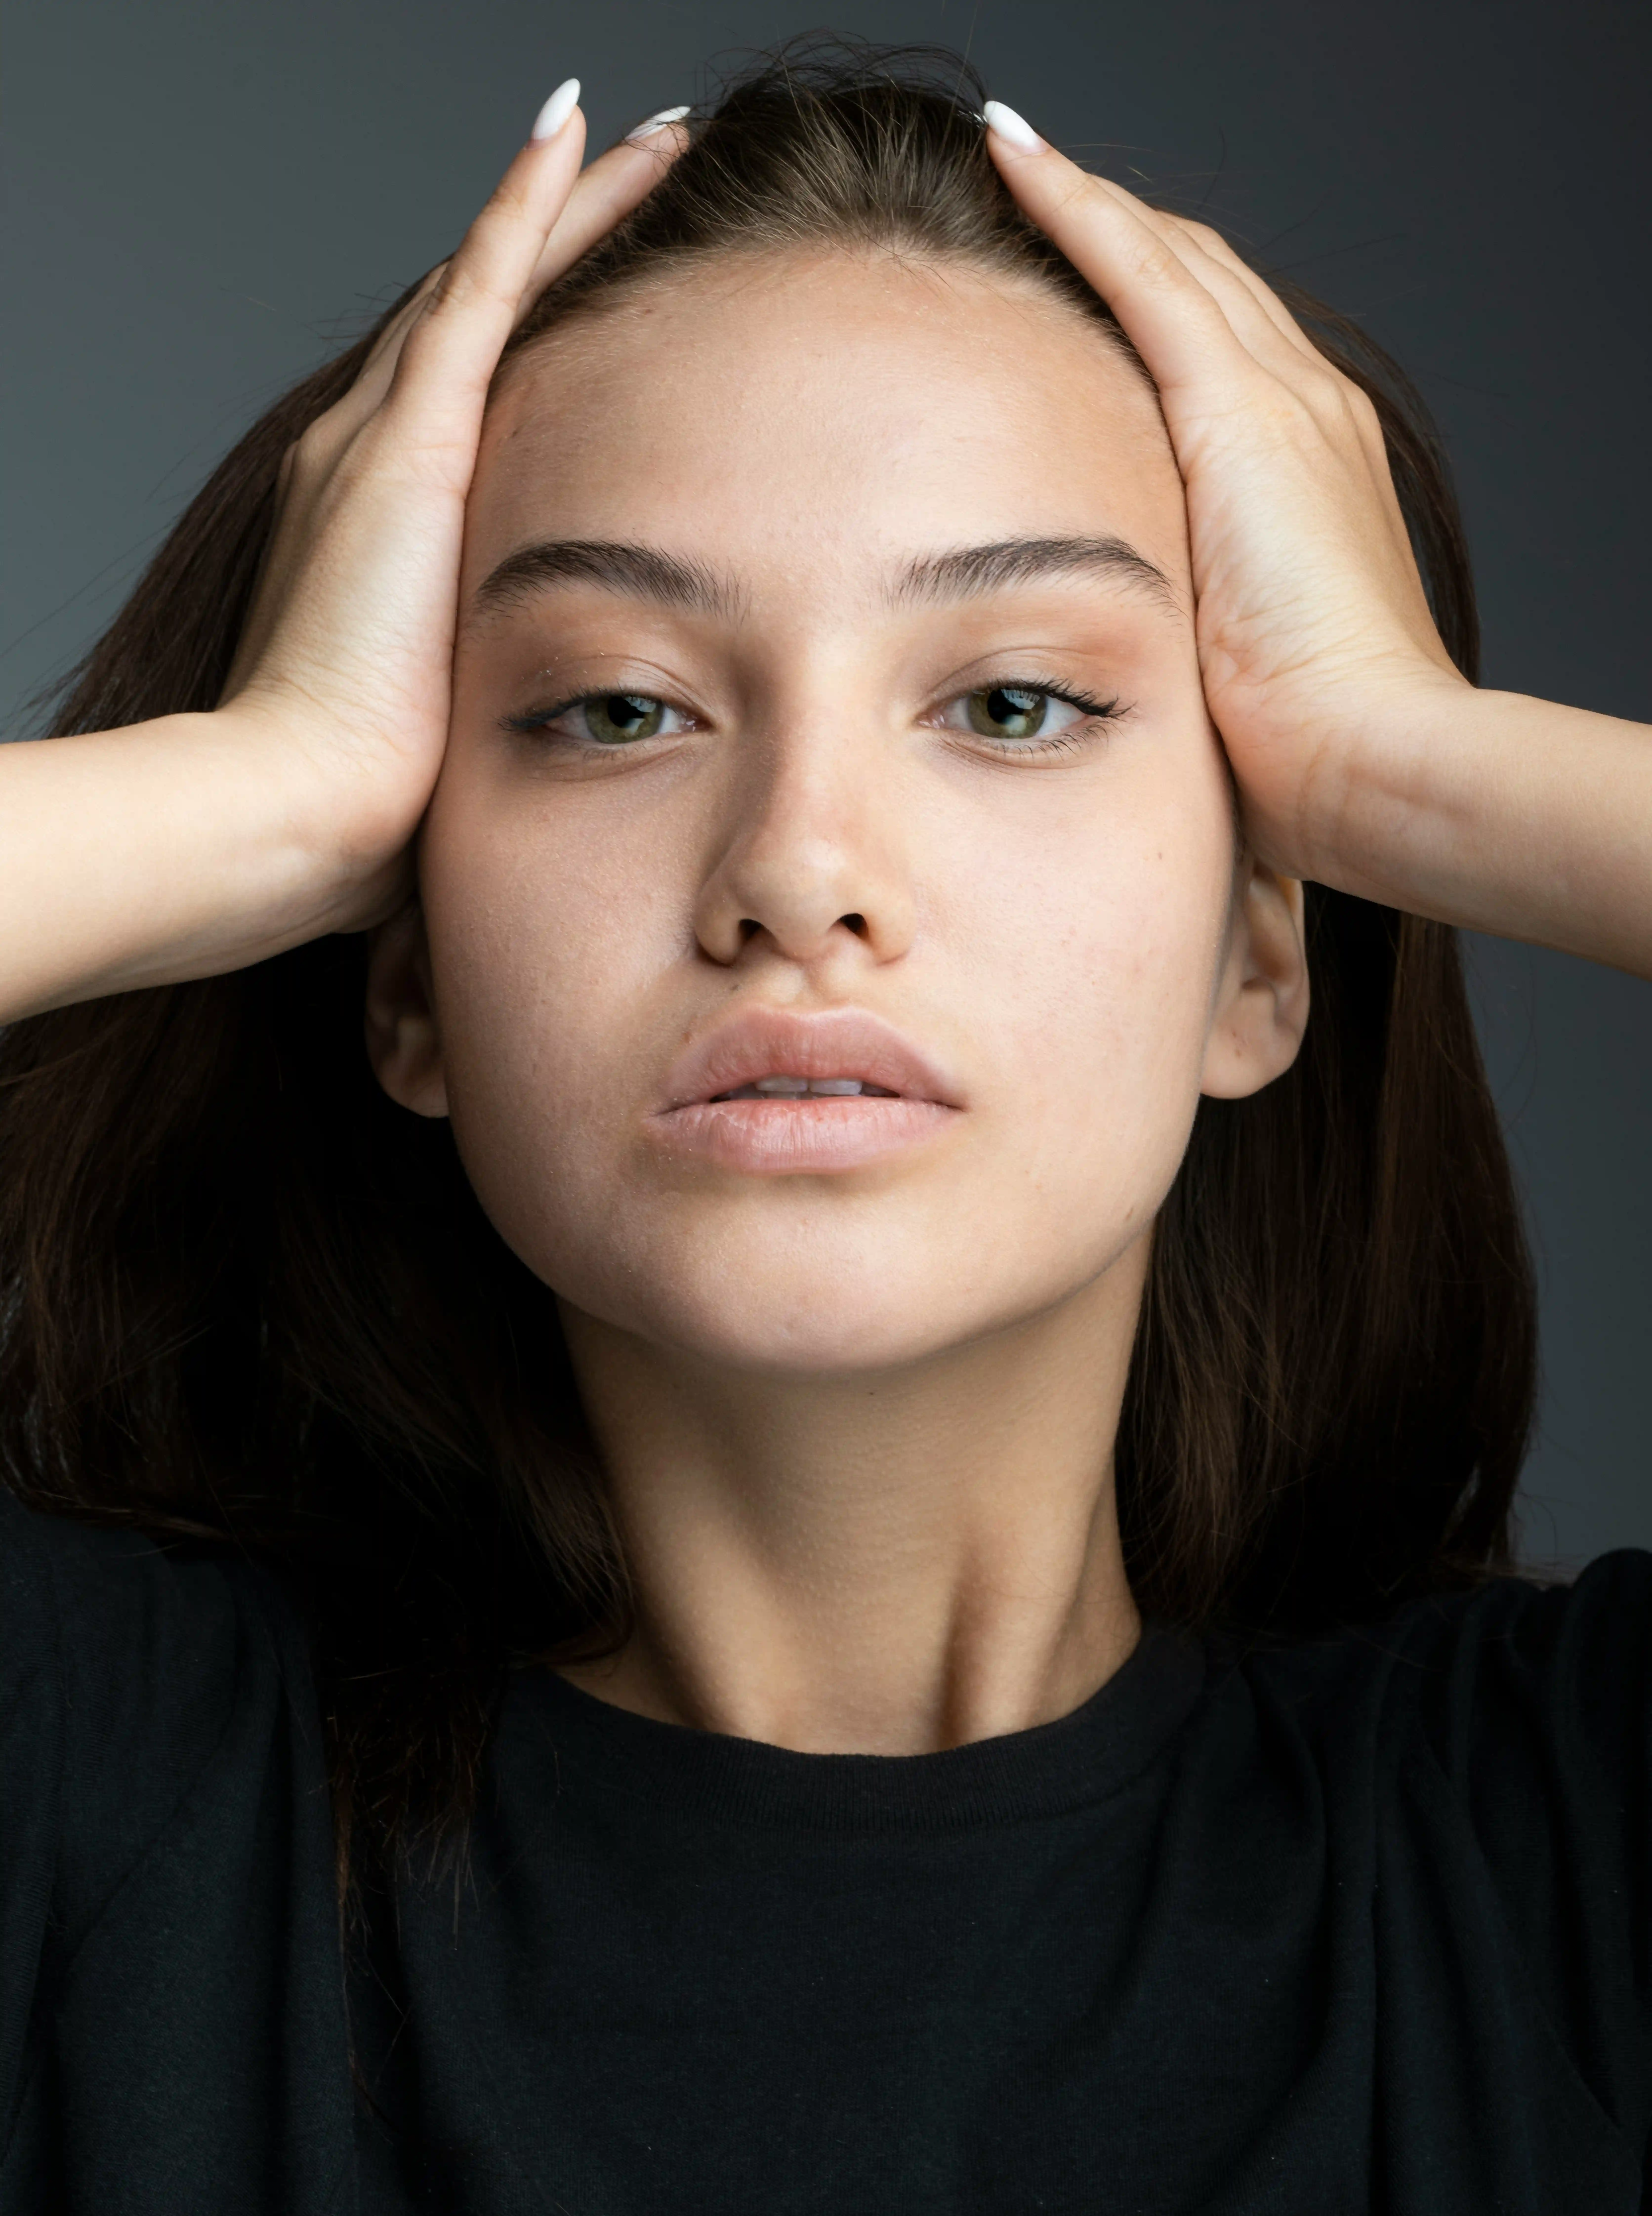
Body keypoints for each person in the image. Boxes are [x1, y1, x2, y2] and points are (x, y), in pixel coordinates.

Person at [2, 39, 1649, 2215]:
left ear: (1265, 960)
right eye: (614, 707)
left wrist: (1413, 764)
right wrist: (272, 776)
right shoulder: (88, 1799)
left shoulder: (1558, 1851)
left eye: (1009, 702)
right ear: (398, 967)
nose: (796, 866)